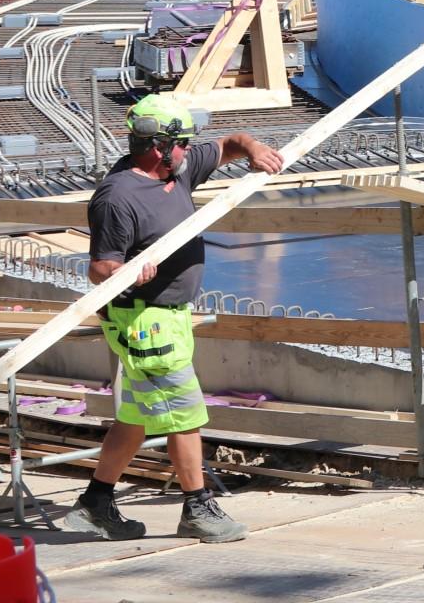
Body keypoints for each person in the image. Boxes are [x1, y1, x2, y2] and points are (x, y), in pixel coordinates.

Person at [59, 95, 284, 543]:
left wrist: (254, 148)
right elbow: (99, 267)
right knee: (185, 414)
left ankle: (94, 504)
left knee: (137, 417)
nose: (189, 150)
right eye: (181, 143)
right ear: (158, 146)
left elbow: (230, 144)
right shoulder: (118, 195)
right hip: (144, 321)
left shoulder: (178, 171)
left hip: (171, 316)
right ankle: (198, 508)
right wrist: (125, 270)